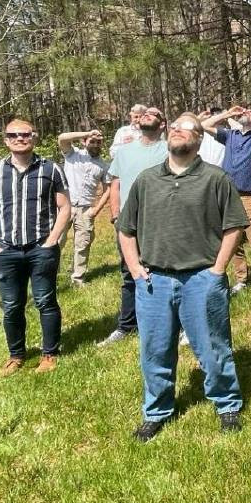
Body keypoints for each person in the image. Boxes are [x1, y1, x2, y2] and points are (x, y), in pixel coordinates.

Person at [118, 113, 248, 440]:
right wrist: (135, 269)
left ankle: (226, 404)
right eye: (174, 127)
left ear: (198, 139)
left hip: (201, 278)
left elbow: (234, 226)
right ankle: (157, 411)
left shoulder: (216, 179)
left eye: (186, 128)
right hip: (153, 281)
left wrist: (218, 270)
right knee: (155, 349)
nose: (177, 131)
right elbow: (126, 229)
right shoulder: (147, 180)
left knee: (213, 346)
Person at [0, 119, 71, 375]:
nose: (20, 138)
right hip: (6, 251)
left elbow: (65, 207)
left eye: (25, 134)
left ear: (34, 137)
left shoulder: (51, 169)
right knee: (11, 305)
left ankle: (49, 354)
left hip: (41, 248)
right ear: (6, 140)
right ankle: (16, 355)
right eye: (13, 135)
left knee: (45, 301)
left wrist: (52, 241)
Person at [101, 109, 169, 346]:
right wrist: (115, 214)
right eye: (145, 113)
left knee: (164, 272)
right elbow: (115, 183)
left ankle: (169, 324)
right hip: (128, 223)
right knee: (129, 273)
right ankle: (126, 325)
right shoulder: (124, 151)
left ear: (163, 124)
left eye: (154, 113)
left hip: (160, 222)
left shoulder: (169, 150)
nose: (147, 114)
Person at [203, 104, 251, 300]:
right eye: (246, 111)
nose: (247, 112)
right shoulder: (230, 135)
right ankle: (241, 279)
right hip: (226, 195)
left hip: (248, 196)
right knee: (233, 241)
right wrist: (228, 114)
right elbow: (204, 124)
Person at [56, 128, 110, 285]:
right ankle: (50, 272)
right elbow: (62, 138)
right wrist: (86, 134)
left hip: (86, 209)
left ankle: (78, 278)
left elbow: (108, 190)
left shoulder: (103, 165)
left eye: (98, 142)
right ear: (84, 141)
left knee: (83, 244)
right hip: (65, 206)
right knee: (57, 240)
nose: (95, 144)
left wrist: (96, 209)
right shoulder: (73, 155)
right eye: (92, 141)